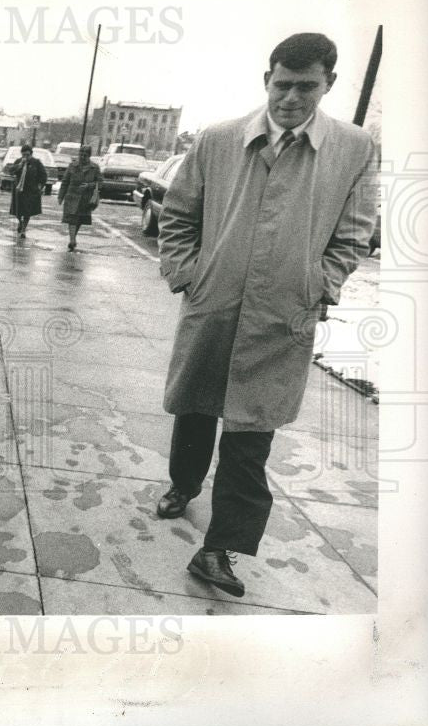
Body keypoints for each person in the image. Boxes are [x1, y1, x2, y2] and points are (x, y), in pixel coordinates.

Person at [155, 33, 378, 598]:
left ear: (328, 83)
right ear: (266, 81)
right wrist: (189, 276)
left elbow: (355, 235)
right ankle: (183, 484)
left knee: (251, 437)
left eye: (307, 87)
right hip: (214, 306)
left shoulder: (354, 149)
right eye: (283, 84)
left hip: (285, 318)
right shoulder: (219, 139)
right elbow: (178, 215)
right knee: (196, 409)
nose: (292, 98)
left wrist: (319, 287)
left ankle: (220, 550)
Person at [57, 145, 102, 251]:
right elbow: (65, 181)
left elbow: (100, 182)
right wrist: (61, 196)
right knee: (72, 219)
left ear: (89, 156)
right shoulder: (72, 166)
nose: (82, 157)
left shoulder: (95, 168)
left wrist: (89, 185)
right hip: (72, 196)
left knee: (80, 220)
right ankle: (72, 240)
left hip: (85, 199)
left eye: (85, 155)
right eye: (81, 154)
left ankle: (73, 237)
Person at [8, 144, 47, 238]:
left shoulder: (36, 162)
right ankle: (20, 223)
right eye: (23, 155)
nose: (25, 157)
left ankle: (23, 229)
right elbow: (11, 171)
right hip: (18, 190)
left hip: (31, 190)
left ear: (31, 154)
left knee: (27, 211)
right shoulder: (18, 161)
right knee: (17, 210)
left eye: (27, 155)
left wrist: (40, 187)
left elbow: (43, 175)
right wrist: (19, 165)